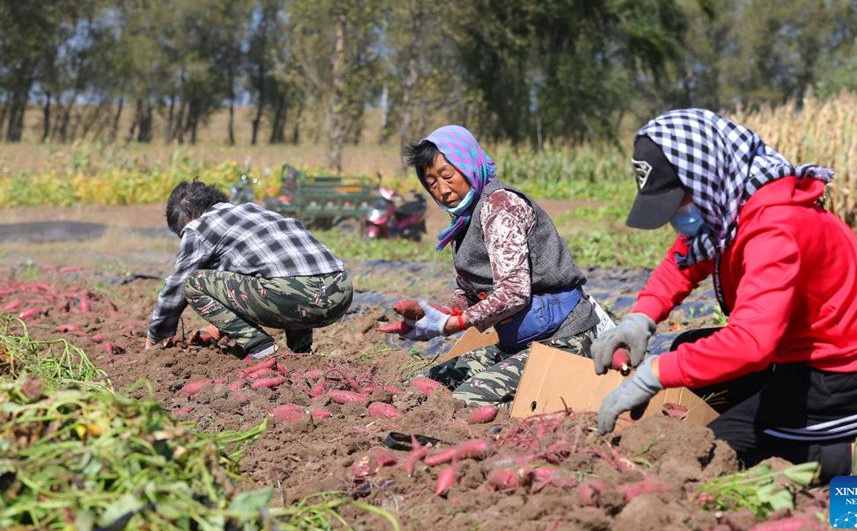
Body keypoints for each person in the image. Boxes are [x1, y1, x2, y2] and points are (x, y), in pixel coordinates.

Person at [592, 108, 857, 483]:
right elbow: (684, 260)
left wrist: (653, 375)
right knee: (689, 349)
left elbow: (751, 343)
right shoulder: (732, 204)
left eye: (680, 202)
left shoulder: (775, 227)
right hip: (801, 352)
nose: (678, 217)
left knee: (719, 450)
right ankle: (775, 409)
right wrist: (639, 319)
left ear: (704, 176)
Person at [382, 125, 603, 406]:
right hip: (520, 342)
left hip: (565, 339)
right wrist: (439, 314)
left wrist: (452, 324)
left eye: (447, 175)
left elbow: (513, 292)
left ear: (468, 166)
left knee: (464, 402)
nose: (442, 189)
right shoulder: (465, 218)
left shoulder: (500, 207)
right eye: (432, 182)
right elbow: (471, 291)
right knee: (423, 388)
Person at [146, 179, 353, 359]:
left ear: (187, 217)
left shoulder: (198, 227)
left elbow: (176, 287)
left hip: (297, 294)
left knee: (193, 283)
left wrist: (157, 337)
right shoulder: (253, 211)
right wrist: (221, 328)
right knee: (287, 275)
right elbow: (252, 278)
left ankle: (261, 348)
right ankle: (302, 352)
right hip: (340, 291)